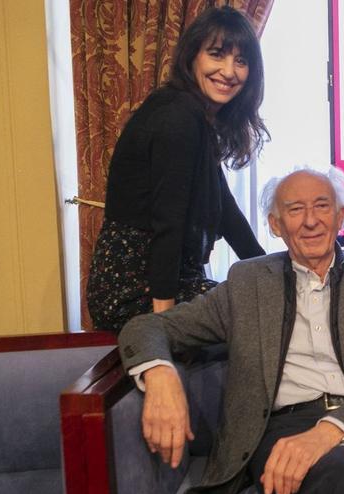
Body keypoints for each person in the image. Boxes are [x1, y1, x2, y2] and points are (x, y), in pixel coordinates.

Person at [118, 168, 344, 494]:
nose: (311, 221)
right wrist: (161, 374)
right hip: (283, 427)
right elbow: (148, 327)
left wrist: (329, 431)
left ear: (340, 217)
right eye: (295, 210)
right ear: (276, 225)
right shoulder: (246, 284)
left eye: (322, 206)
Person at [88, 6, 268, 332]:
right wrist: (163, 328)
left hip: (172, 278)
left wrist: (270, 272)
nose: (229, 71)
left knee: (267, 301)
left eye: (241, 61)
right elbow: (167, 223)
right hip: (133, 288)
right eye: (217, 55)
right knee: (258, 313)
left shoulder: (196, 117)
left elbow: (227, 212)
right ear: (192, 56)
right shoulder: (178, 116)